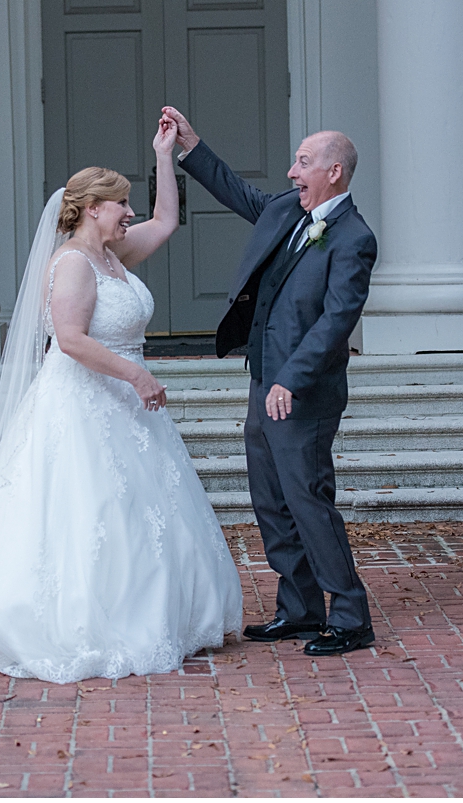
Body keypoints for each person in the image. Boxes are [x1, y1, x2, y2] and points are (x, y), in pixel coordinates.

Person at [0, 115, 242, 683]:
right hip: (87, 402)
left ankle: (154, 612)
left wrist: (165, 153)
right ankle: (73, 623)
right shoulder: (72, 264)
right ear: (93, 209)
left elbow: (166, 220)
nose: (130, 213)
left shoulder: (113, 255)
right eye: (121, 206)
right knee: (81, 511)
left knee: (138, 514)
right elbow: (70, 341)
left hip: (128, 409)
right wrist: (136, 377)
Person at [159, 105, 379, 657]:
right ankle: (300, 608)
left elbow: (336, 322)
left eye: (302, 162)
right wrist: (192, 145)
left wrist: (291, 380)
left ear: (334, 171)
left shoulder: (353, 237)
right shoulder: (288, 211)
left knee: (308, 498)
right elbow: (242, 196)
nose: (290, 171)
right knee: (271, 499)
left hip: (302, 390)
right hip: (264, 380)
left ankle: (349, 615)